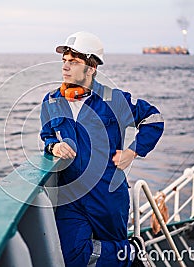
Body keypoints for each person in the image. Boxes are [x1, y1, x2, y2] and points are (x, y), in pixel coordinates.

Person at [40, 31, 164, 267]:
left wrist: (132, 151)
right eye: (64, 61)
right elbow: (46, 134)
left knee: (113, 258)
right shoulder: (51, 100)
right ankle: (132, 250)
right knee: (71, 257)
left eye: (74, 62)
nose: (65, 67)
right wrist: (53, 146)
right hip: (71, 196)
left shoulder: (114, 100)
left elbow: (154, 118)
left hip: (107, 194)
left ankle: (127, 251)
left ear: (91, 68)